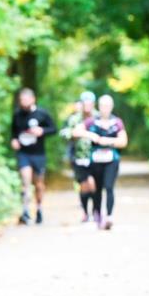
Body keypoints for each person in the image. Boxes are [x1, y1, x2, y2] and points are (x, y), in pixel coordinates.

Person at [75, 94, 128, 230]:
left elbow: (123, 141)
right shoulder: (92, 121)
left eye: (108, 106)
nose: (105, 108)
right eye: (103, 106)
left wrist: (108, 141)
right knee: (97, 189)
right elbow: (76, 131)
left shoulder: (117, 122)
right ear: (99, 107)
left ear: (111, 107)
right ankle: (98, 214)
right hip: (95, 161)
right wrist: (91, 135)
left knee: (109, 187)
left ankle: (109, 216)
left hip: (112, 160)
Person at [9, 87, 57, 224]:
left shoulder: (42, 114)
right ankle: (25, 211)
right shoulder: (17, 114)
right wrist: (14, 141)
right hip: (23, 153)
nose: (23, 102)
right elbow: (13, 132)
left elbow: (53, 129)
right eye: (21, 100)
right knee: (25, 181)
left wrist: (42, 131)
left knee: (39, 184)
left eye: (25, 99)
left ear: (33, 99)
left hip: (38, 154)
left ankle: (39, 208)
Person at [59, 91, 97, 222]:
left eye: (90, 103)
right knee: (84, 186)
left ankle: (95, 211)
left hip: (96, 156)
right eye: (85, 103)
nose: (87, 105)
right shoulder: (74, 119)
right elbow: (64, 133)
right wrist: (73, 133)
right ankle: (86, 212)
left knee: (93, 184)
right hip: (79, 156)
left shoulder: (98, 117)